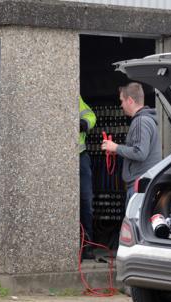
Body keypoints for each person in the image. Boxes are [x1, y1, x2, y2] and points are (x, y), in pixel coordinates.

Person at [101, 82, 161, 205]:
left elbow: (140, 153)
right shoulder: (146, 120)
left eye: (122, 100)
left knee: (133, 223)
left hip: (139, 187)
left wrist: (115, 147)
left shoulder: (141, 122)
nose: (121, 105)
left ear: (130, 100)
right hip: (143, 185)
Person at [79, 96, 96, 259]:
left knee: (86, 201)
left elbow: (91, 116)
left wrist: (84, 124)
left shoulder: (75, 97)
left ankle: (87, 245)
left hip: (80, 156)